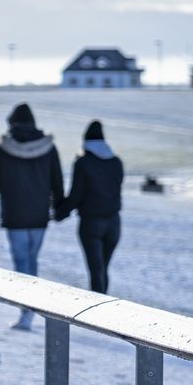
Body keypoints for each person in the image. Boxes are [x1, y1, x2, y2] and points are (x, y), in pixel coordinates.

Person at [0, 102, 65, 329]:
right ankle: (30, 307)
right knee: (32, 259)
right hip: (39, 212)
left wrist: (9, 189)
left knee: (20, 260)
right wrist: (57, 207)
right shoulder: (48, 146)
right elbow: (57, 180)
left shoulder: (3, 145)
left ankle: (25, 310)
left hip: (14, 211)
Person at [58, 120, 122, 295]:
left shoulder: (83, 162)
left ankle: (98, 313)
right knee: (103, 268)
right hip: (114, 223)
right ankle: (105, 308)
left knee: (96, 271)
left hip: (91, 222)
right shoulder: (116, 162)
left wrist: (60, 213)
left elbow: (76, 195)